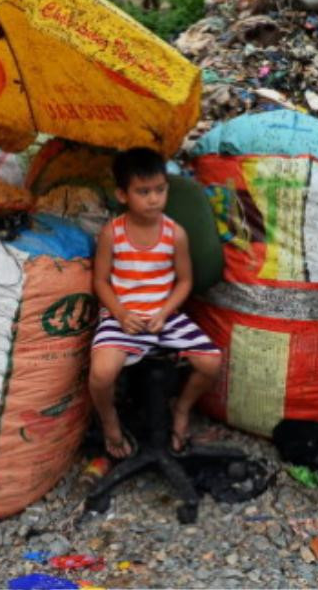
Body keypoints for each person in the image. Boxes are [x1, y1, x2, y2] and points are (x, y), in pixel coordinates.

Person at [89, 147, 221, 459]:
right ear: (122, 194)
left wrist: (164, 311)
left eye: (160, 190)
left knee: (211, 362)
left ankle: (182, 408)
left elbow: (184, 281)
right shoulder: (113, 233)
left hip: (164, 315)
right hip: (122, 317)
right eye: (143, 192)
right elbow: (100, 281)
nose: (153, 199)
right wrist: (120, 313)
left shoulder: (175, 235)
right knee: (101, 374)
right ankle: (110, 422)